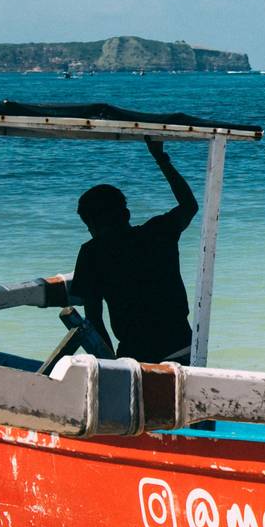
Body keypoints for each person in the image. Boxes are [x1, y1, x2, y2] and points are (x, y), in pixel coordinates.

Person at [69, 138, 199, 363]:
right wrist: (161, 158)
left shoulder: (92, 253)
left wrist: (108, 364)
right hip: (183, 346)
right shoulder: (158, 232)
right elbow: (189, 205)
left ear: (90, 225)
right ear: (126, 215)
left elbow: (94, 319)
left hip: (137, 355)